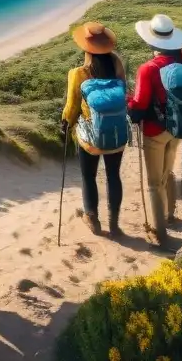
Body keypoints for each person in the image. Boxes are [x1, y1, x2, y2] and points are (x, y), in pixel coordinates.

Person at [128, 13, 182, 249]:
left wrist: (128, 102)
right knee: (168, 172)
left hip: (154, 130)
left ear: (151, 41)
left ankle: (159, 231)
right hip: (177, 127)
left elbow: (140, 103)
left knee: (154, 183)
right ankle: (171, 214)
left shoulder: (148, 68)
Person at [61, 22, 128, 238]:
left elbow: (72, 107)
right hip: (117, 134)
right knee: (113, 176)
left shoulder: (79, 73)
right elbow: (123, 96)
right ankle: (115, 224)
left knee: (88, 176)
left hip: (90, 139)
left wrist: (66, 125)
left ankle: (92, 218)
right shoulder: (117, 65)